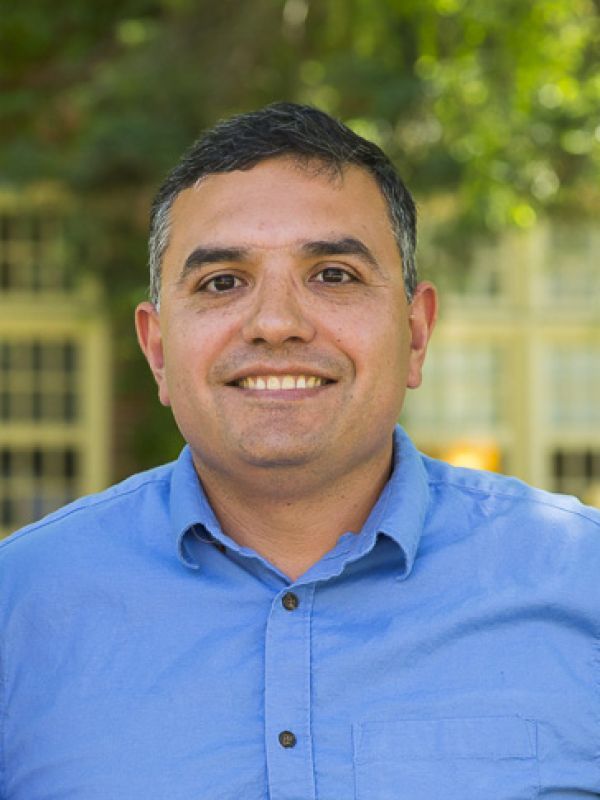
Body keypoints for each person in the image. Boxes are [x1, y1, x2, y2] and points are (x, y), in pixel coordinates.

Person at [0, 103, 599, 800]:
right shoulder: (19, 608)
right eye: (222, 282)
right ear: (157, 350)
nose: (276, 323)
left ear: (416, 334)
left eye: (334, 275)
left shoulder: (582, 583)